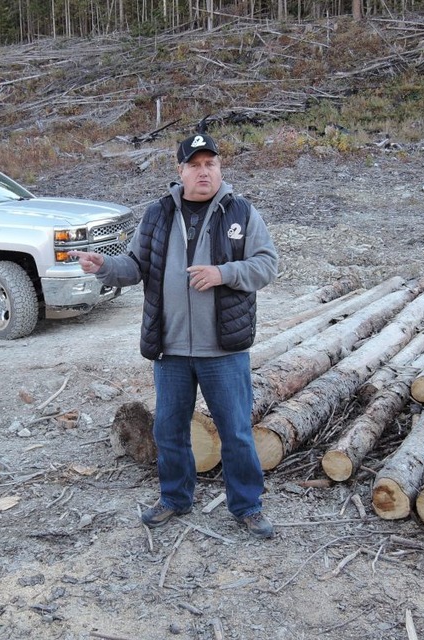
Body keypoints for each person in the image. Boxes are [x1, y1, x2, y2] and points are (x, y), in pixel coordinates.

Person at [70, 129, 279, 538]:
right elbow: (135, 266)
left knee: (235, 431)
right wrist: (104, 267)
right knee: (168, 429)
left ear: (220, 168)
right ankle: (175, 498)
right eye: (195, 166)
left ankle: (247, 506)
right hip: (170, 348)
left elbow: (267, 265)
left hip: (223, 349)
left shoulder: (240, 213)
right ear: (180, 171)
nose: (204, 172)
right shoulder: (158, 214)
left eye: (211, 165)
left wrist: (224, 273)